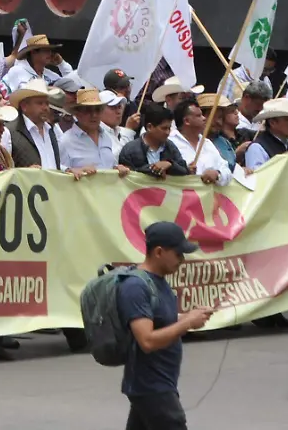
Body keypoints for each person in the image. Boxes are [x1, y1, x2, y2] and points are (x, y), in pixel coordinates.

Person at [118, 222, 214, 430]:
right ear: (159, 252)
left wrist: (188, 317)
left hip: (158, 383)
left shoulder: (158, 281)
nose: (182, 260)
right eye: (178, 254)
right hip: (151, 386)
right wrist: (187, 322)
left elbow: (161, 319)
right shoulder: (135, 287)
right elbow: (147, 340)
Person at [117, 104, 191, 179]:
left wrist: (170, 164)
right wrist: (154, 168)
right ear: (149, 127)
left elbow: (185, 171)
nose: (168, 132)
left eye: (169, 128)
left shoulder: (170, 147)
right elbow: (127, 175)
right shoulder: (130, 149)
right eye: (164, 128)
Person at [60, 89, 124, 175]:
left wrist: (116, 168)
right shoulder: (65, 141)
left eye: (97, 110)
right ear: (77, 113)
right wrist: (71, 171)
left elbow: (108, 166)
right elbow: (58, 174)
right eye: (87, 110)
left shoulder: (107, 137)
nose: (94, 115)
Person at [241, 98, 288, 171]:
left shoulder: (286, 144)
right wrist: (279, 162)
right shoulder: (257, 148)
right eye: (287, 119)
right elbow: (257, 178)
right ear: (273, 123)